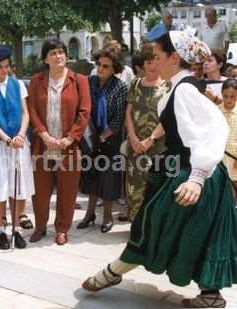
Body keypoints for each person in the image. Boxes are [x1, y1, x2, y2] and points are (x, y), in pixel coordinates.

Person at [82, 31, 237, 309]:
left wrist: (197, 178)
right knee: (191, 230)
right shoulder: (182, 87)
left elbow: (214, 130)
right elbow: (176, 122)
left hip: (192, 173)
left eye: (157, 56)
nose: (151, 61)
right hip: (187, 170)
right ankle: (210, 294)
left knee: (151, 226)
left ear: (174, 58)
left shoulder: (185, 89)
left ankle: (112, 273)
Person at [27, 39, 91, 245]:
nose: (59, 56)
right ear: (45, 58)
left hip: (68, 147)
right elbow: (32, 110)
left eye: (61, 52)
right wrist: (43, 134)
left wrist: (69, 138)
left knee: (68, 190)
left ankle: (62, 229)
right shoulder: (36, 80)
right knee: (40, 190)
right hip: (42, 145)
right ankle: (40, 226)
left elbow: (84, 111)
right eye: (53, 53)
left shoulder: (79, 80)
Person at [0, 46, 35, 250]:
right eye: (0, 67)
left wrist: (20, 135)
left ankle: (17, 228)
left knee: (19, 187)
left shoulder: (18, 85)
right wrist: (6, 139)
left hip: (19, 143)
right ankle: (1, 228)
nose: (5, 70)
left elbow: (26, 113)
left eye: (7, 66)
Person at [78, 49, 127, 233]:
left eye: (105, 66)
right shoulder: (89, 82)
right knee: (90, 176)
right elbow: (83, 108)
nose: (100, 68)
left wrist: (103, 137)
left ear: (114, 68)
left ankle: (107, 216)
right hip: (89, 138)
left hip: (110, 140)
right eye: (98, 64)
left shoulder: (120, 87)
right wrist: (91, 137)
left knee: (109, 179)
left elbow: (119, 118)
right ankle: (89, 214)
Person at [123, 44, 168, 221]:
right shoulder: (135, 84)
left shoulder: (168, 85)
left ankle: (153, 229)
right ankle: (135, 227)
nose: (153, 65)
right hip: (135, 146)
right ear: (144, 64)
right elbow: (128, 112)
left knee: (156, 187)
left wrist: (150, 139)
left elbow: (167, 118)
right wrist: (132, 137)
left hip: (159, 146)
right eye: (149, 62)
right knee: (135, 187)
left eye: (156, 61)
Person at [220, 78, 237, 189]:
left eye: (232, 96)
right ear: (221, 94)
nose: (229, 100)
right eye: (226, 96)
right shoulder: (215, 111)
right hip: (220, 158)